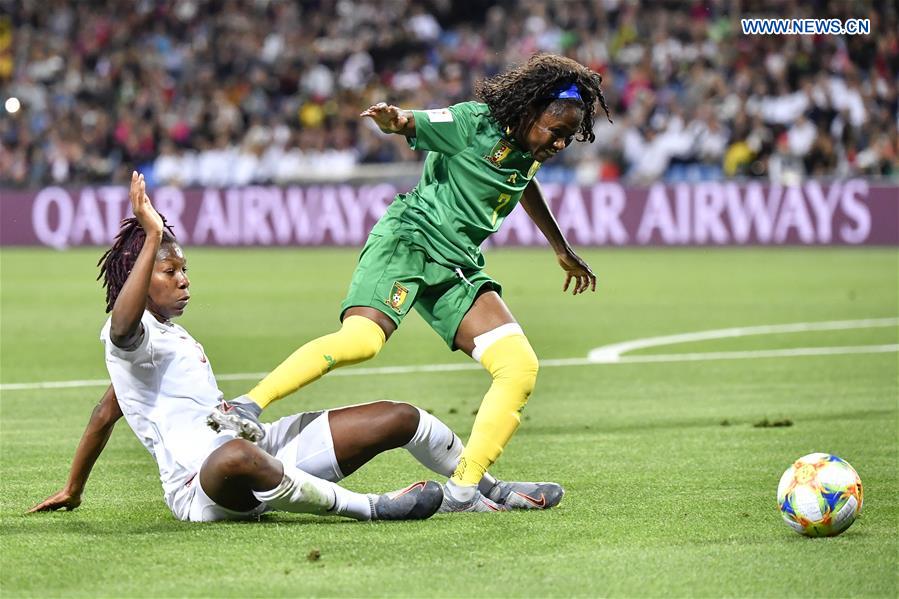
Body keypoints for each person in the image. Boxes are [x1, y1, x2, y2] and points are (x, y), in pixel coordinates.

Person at [28, 173, 559, 521]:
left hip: (258, 450)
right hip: (204, 486)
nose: (185, 280)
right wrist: (148, 237)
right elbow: (121, 325)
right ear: (141, 281)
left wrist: (74, 489)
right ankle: (372, 508)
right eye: (171, 271)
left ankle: (485, 488)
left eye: (185, 268)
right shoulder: (127, 335)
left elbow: (104, 412)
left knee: (400, 417)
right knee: (234, 454)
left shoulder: (170, 340)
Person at [209, 53, 610, 512]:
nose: (560, 144)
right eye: (556, 132)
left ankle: (464, 490)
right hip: (410, 241)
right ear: (528, 111)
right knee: (362, 341)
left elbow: (523, 183)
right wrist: (394, 120)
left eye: (568, 136)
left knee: (519, 367)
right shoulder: (470, 124)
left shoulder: (530, 147)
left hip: (458, 264)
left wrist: (559, 247)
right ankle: (244, 406)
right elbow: (410, 123)